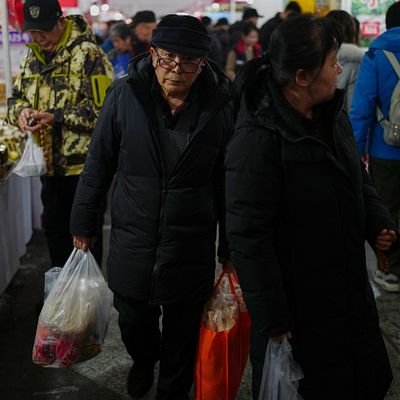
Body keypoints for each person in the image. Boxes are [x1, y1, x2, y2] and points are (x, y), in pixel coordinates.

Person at [226, 14, 396, 400]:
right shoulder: (257, 140)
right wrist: (273, 317)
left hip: (347, 293)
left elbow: (357, 178)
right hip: (298, 308)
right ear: (302, 77)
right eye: (332, 62)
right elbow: (249, 238)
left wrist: (378, 222)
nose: (339, 70)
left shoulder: (331, 114)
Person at [70, 14, 232, 400]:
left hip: (190, 241)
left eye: (189, 60)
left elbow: (229, 181)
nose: (176, 68)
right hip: (134, 235)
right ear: (152, 52)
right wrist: (83, 222)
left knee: (183, 331)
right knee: (132, 320)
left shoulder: (222, 104)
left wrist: (230, 247)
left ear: (203, 62)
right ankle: (144, 360)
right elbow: (98, 162)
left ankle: (172, 391)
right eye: (168, 57)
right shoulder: (124, 94)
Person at [7, 0, 113, 269]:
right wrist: (21, 113)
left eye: (43, 30)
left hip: (84, 169)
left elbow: (105, 113)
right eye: (33, 32)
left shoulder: (89, 55)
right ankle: (60, 293)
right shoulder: (32, 57)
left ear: (61, 21)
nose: (38, 37)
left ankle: (87, 295)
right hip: (49, 167)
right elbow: (15, 100)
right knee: (55, 237)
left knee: (85, 243)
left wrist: (57, 116)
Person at [350, 1, 400, 293]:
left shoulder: (377, 54)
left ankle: (390, 272)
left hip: (385, 149)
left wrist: (356, 151)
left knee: (387, 211)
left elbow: (363, 108)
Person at [326, 10, 365, 112]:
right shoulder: (356, 63)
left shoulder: (319, 58)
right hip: (342, 119)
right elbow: (354, 107)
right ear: (352, 32)